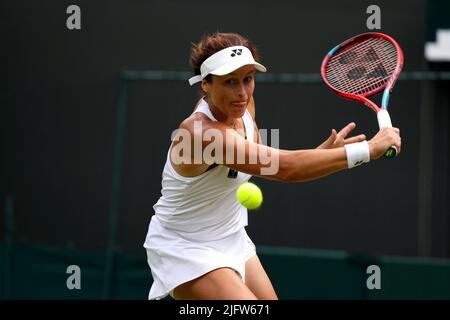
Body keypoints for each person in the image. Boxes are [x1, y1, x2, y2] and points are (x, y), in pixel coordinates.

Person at [143, 32, 401, 300]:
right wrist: (368, 150)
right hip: (186, 247)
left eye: (248, 79)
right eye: (230, 82)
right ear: (205, 84)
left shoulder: (242, 108)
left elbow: (261, 161)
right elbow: (285, 168)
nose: (242, 92)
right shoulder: (200, 134)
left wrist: (317, 156)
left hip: (231, 236)